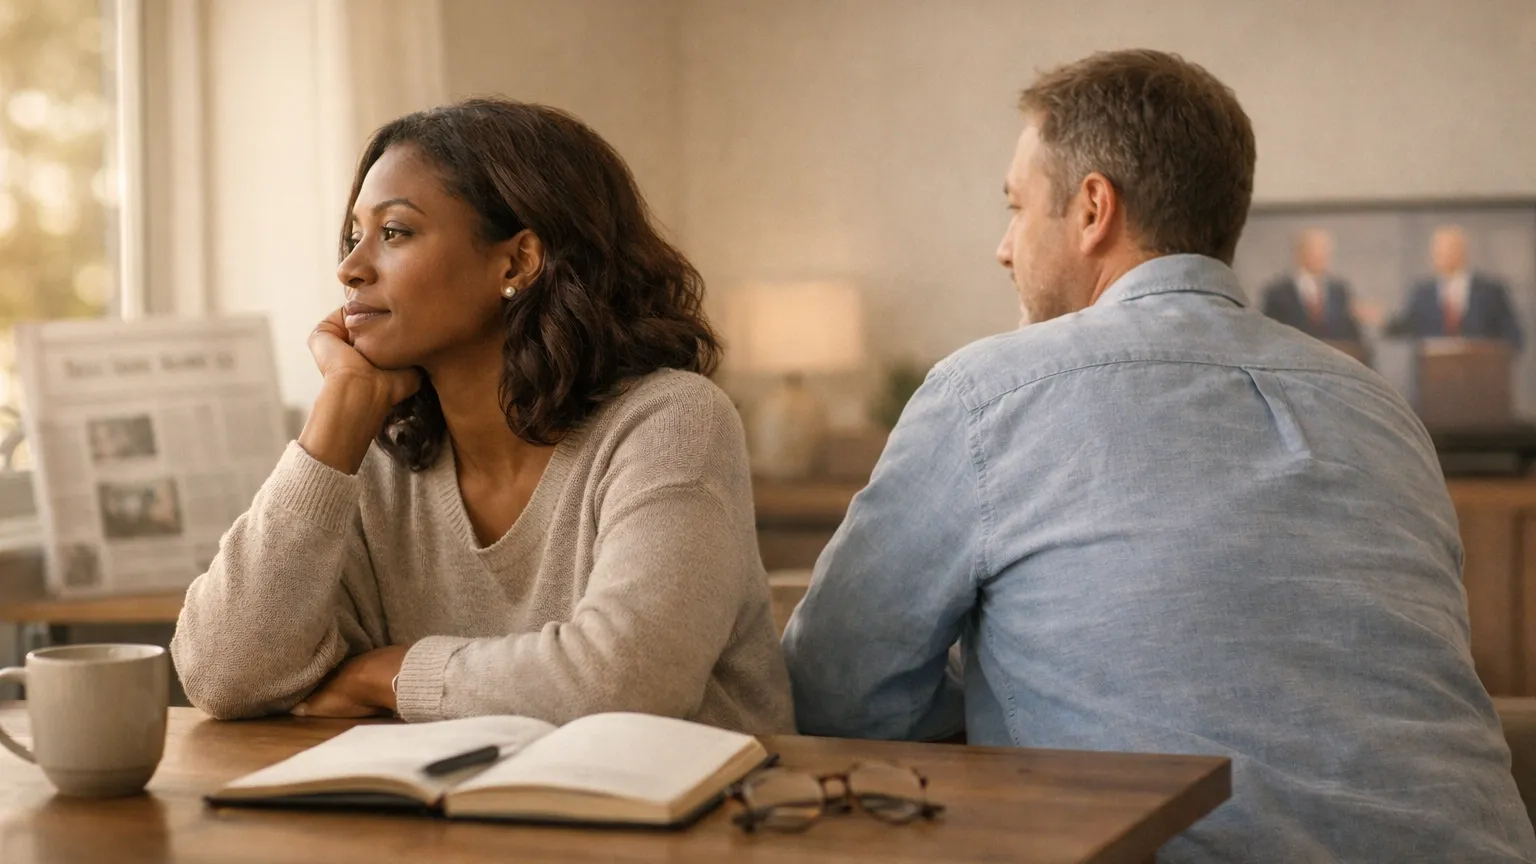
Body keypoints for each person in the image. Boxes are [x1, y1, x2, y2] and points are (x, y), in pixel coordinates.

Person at [781, 49, 1535, 861]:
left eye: (1016, 207)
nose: (1004, 247)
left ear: (1092, 208)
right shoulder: (1382, 408)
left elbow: (837, 693)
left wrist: (1008, 692)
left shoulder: (987, 394)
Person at [171, 99, 794, 735]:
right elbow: (222, 672)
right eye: (355, 236)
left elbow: (627, 683)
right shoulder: (378, 455)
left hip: (710, 798)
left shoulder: (671, 421)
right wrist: (335, 421)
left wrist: (386, 675)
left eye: (395, 232)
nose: (350, 269)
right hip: (459, 800)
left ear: (517, 261)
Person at [1386, 225, 1524, 350]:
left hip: (1480, 366)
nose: (1441, 255)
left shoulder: (1490, 291)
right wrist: (1385, 322)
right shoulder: (1422, 292)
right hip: (1434, 367)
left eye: (1448, 249)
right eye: (1437, 250)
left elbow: (1513, 335)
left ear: (1462, 251)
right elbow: (1407, 328)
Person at [1259, 228, 1364, 342]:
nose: (1322, 255)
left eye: (1325, 250)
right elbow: (1269, 333)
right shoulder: (1277, 293)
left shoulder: (1339, 291)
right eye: (1316, 250)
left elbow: (1351, 334)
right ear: (1299, 253)